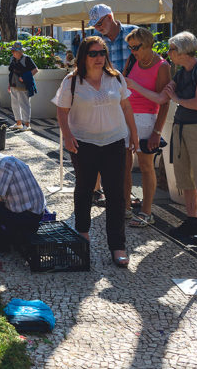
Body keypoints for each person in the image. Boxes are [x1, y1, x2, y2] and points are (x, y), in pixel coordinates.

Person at [53, 35, 139, 267]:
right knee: (84, 190)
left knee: (116, 195)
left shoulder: (116, 78)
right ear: (84, 56)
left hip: (114, 141)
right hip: (84, 143)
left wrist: (134, 133)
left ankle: (118, 246)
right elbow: (62, 110)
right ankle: (82, 233)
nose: (99, 58)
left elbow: (126, 106)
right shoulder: (72, 81)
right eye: (94, 53)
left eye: (102, 53)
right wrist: (67, 136)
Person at [141, 31, 197, 244]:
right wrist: (133, 87)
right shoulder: (181, 73)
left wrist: (176, 98)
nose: (168, 53)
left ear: (182, 50)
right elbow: (160, 98)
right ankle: (192, 220)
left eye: (171, 49)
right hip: (181, 128)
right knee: (184, 176)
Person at [120, 27, 170, 228]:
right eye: (130, 47)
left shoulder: (162, 66)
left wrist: (157, 132)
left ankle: (147, 211)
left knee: (146, 165)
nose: (133, 51)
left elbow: (164, 102)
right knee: (124, 165)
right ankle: (125, 206)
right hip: (126, 116)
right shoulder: (132, 61)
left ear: (148, 44)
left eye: (136, 47)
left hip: (147, 119)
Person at [88, 4, 136, 70]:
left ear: (110, 17)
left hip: (133, 79)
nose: (97, 28)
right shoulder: (94, 40)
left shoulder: (133, 32)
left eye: (99, 24)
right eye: (94, 26)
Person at [7, 42, 38, 132]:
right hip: (13, 85)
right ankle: (18, 123)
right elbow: (11, 72)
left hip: (23, 86)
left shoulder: (27, 59)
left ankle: (27, 124)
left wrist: (24, 77)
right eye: (12, 51)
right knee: (15, 104)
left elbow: (35, 70)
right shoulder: (12, 59)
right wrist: (9, 84)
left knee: (24, 104)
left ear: (20, 51)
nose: (12, 53)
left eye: (14, 51)